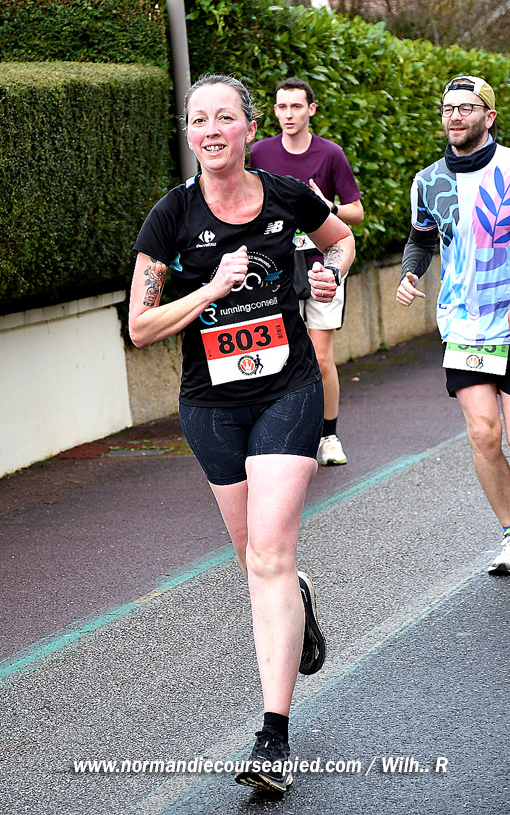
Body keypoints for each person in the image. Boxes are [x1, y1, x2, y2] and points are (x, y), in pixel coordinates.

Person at [129, 74, 355, 793]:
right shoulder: (170, 216)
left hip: (288, 390)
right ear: (189, 133)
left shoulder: (286, 195)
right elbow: (140, 328)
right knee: (254, 559)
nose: (211, 130)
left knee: (269, 555)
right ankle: (297, 598)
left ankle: (272, 737)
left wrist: (326, 275)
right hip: (210, 405)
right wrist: (209, 289)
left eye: (224, 117)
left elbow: (341, 241)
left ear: (248, 129)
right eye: (199, 120)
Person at [396, 74, 510, 576]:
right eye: (448, 109)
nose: (455, 116)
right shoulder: (428, 181)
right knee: (484, 434)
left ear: (489, 116)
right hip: (464, 324)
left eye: (466, 108)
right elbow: (421, 239)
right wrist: (409, 273)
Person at [249, 77, 363, 467]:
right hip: (276, 267)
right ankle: (286, 434)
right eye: (282, 107)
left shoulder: (330, 154)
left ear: (311, 110)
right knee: (276, 354)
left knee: (320, 355)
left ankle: (329, 436)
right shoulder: (260, 153)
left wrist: (326, 206)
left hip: (322, 264)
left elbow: (356, 212)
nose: (288, 114)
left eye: (296, 106)